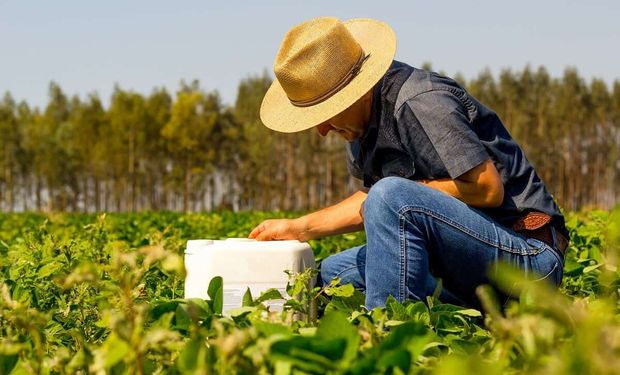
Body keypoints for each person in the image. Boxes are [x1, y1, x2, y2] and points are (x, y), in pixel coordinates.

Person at [249, 17, 569, 309]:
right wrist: (298, 227)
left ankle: (389, 337)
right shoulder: (358, 127)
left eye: (325, 114)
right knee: (332, 274)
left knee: (390, 196)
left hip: (527, 260)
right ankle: (471, 312)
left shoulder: (420, 100)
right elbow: (371, 200)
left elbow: (487, 189)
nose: (321, 131)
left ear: (356, 93)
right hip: (462, 262)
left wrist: (404, 194)